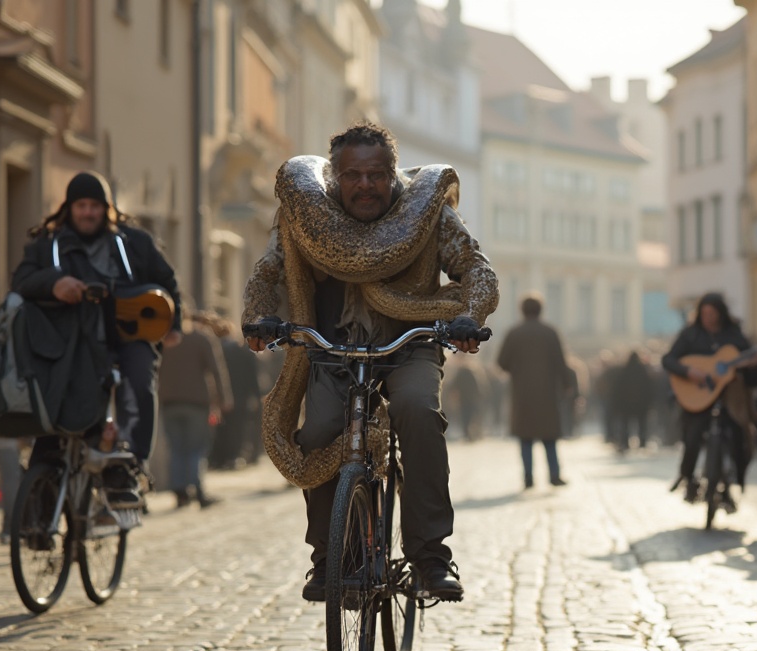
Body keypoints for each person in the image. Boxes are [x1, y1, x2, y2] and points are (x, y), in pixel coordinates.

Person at [243, 122, 496, 603]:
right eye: (353, 175)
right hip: (332, 345)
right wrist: (257, 317)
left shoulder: (429, 213)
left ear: (392, 174)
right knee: (317, 432)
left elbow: (476, 268)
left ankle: (429, 555)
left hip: (409, 341)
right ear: (334, 178)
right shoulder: (304, 214)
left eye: (376, 175)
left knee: (418, 411)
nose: (365, 185)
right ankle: (330, 558)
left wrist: (468, 316)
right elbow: (268, 270)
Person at [11, 171, 183, 509]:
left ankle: (128, 467)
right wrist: (53, 283)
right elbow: (20, 282)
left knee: (139, 379)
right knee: (55, 412)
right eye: (81, 205)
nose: (88, 212)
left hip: (128, 339)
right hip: (70, 343)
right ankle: (41, 501)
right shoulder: (48, 246)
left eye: (95, 206)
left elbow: (167, 281)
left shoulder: (135, 242)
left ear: (107, 209)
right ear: (69, 208)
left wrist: (172, 323)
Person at [661, 293, 756, 507]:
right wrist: (689, 372)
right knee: (692, 438)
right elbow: (668, 360)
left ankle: (734, 480)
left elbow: (750, 369)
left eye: (712, 313)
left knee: (740, 437)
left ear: (720, 314)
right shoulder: (691, 335)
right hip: (697, 398)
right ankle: (689, 478)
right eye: (704, 313)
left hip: (728, 398)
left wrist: (751, 366)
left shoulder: (734, 336)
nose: (708, 317)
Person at [497, 295, 572, 489]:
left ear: (522, 310)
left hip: (522, 394)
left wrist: (517, 369)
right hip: (548, 393)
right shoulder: (550, 332)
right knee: (549, 437)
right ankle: (554, 474)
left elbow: (502, 362)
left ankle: (528, 477)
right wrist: (567, 385)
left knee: (525, 438)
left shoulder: (514, 333)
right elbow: (561, 362)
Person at [158, 313, 232, 508]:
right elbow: (216, 370)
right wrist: (224, 399)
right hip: (196, 401)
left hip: (168, 401)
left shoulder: (161, 339)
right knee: (196, 448)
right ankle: (197, 490)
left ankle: (180, 491)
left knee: (176, 448)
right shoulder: (201, 338)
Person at [208, 317, 262, 470]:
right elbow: (252, 376)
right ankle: (232, 458)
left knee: (221, 428)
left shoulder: (216, 349)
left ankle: (218, 459)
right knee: (236, 428)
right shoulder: (242, 350)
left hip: (220, 396)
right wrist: (256, 396)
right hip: (240, 396)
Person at [612, 351, 654, 453]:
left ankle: (625, 443)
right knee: (642, 424)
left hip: (626, 404)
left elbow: (618, 389)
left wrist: (617, 404)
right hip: (641, 404)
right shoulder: (642, 371)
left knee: (625, 424)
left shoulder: (624, 371)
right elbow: (648, 388)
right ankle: (642, 443)